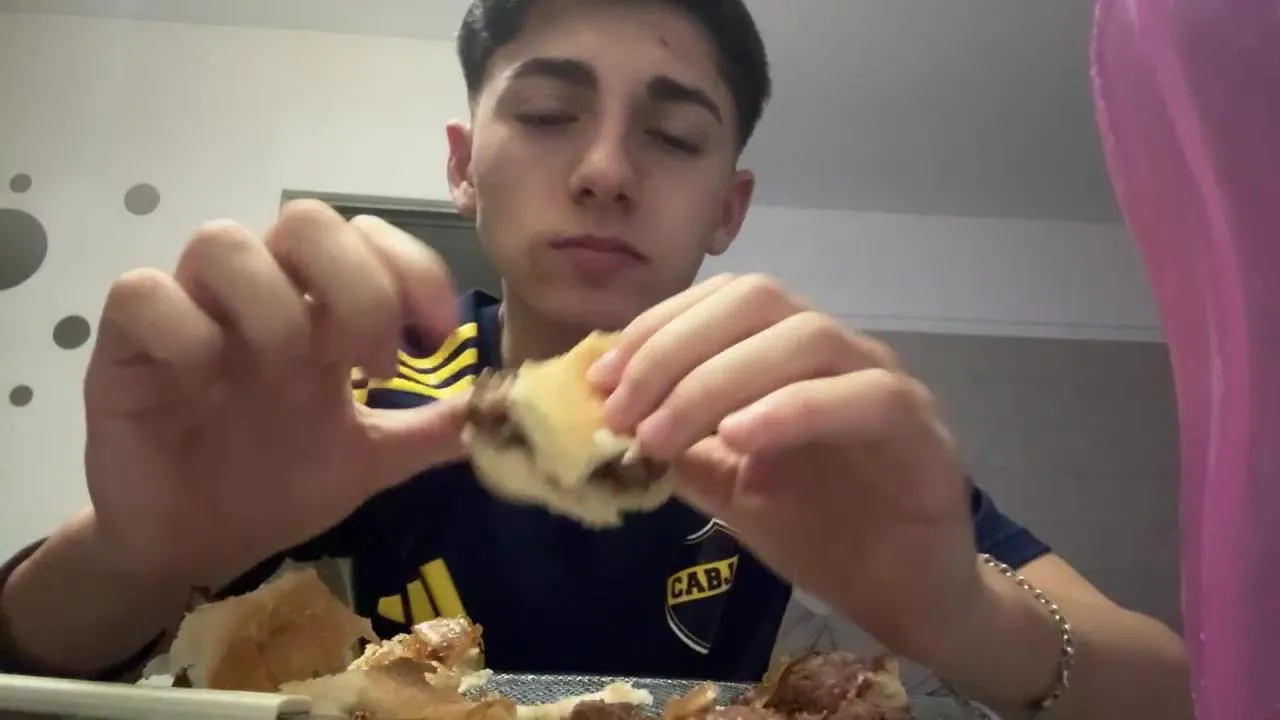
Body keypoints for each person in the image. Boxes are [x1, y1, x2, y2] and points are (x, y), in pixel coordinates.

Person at [0, 1, 1190, 718]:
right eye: (547, 114)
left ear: (725, 210)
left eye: (670, 135)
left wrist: (962, 614)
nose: (607, 169)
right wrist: (141, 558)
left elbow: (1177, 691)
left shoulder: (797, 423)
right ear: (462, 165)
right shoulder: (344, 397)